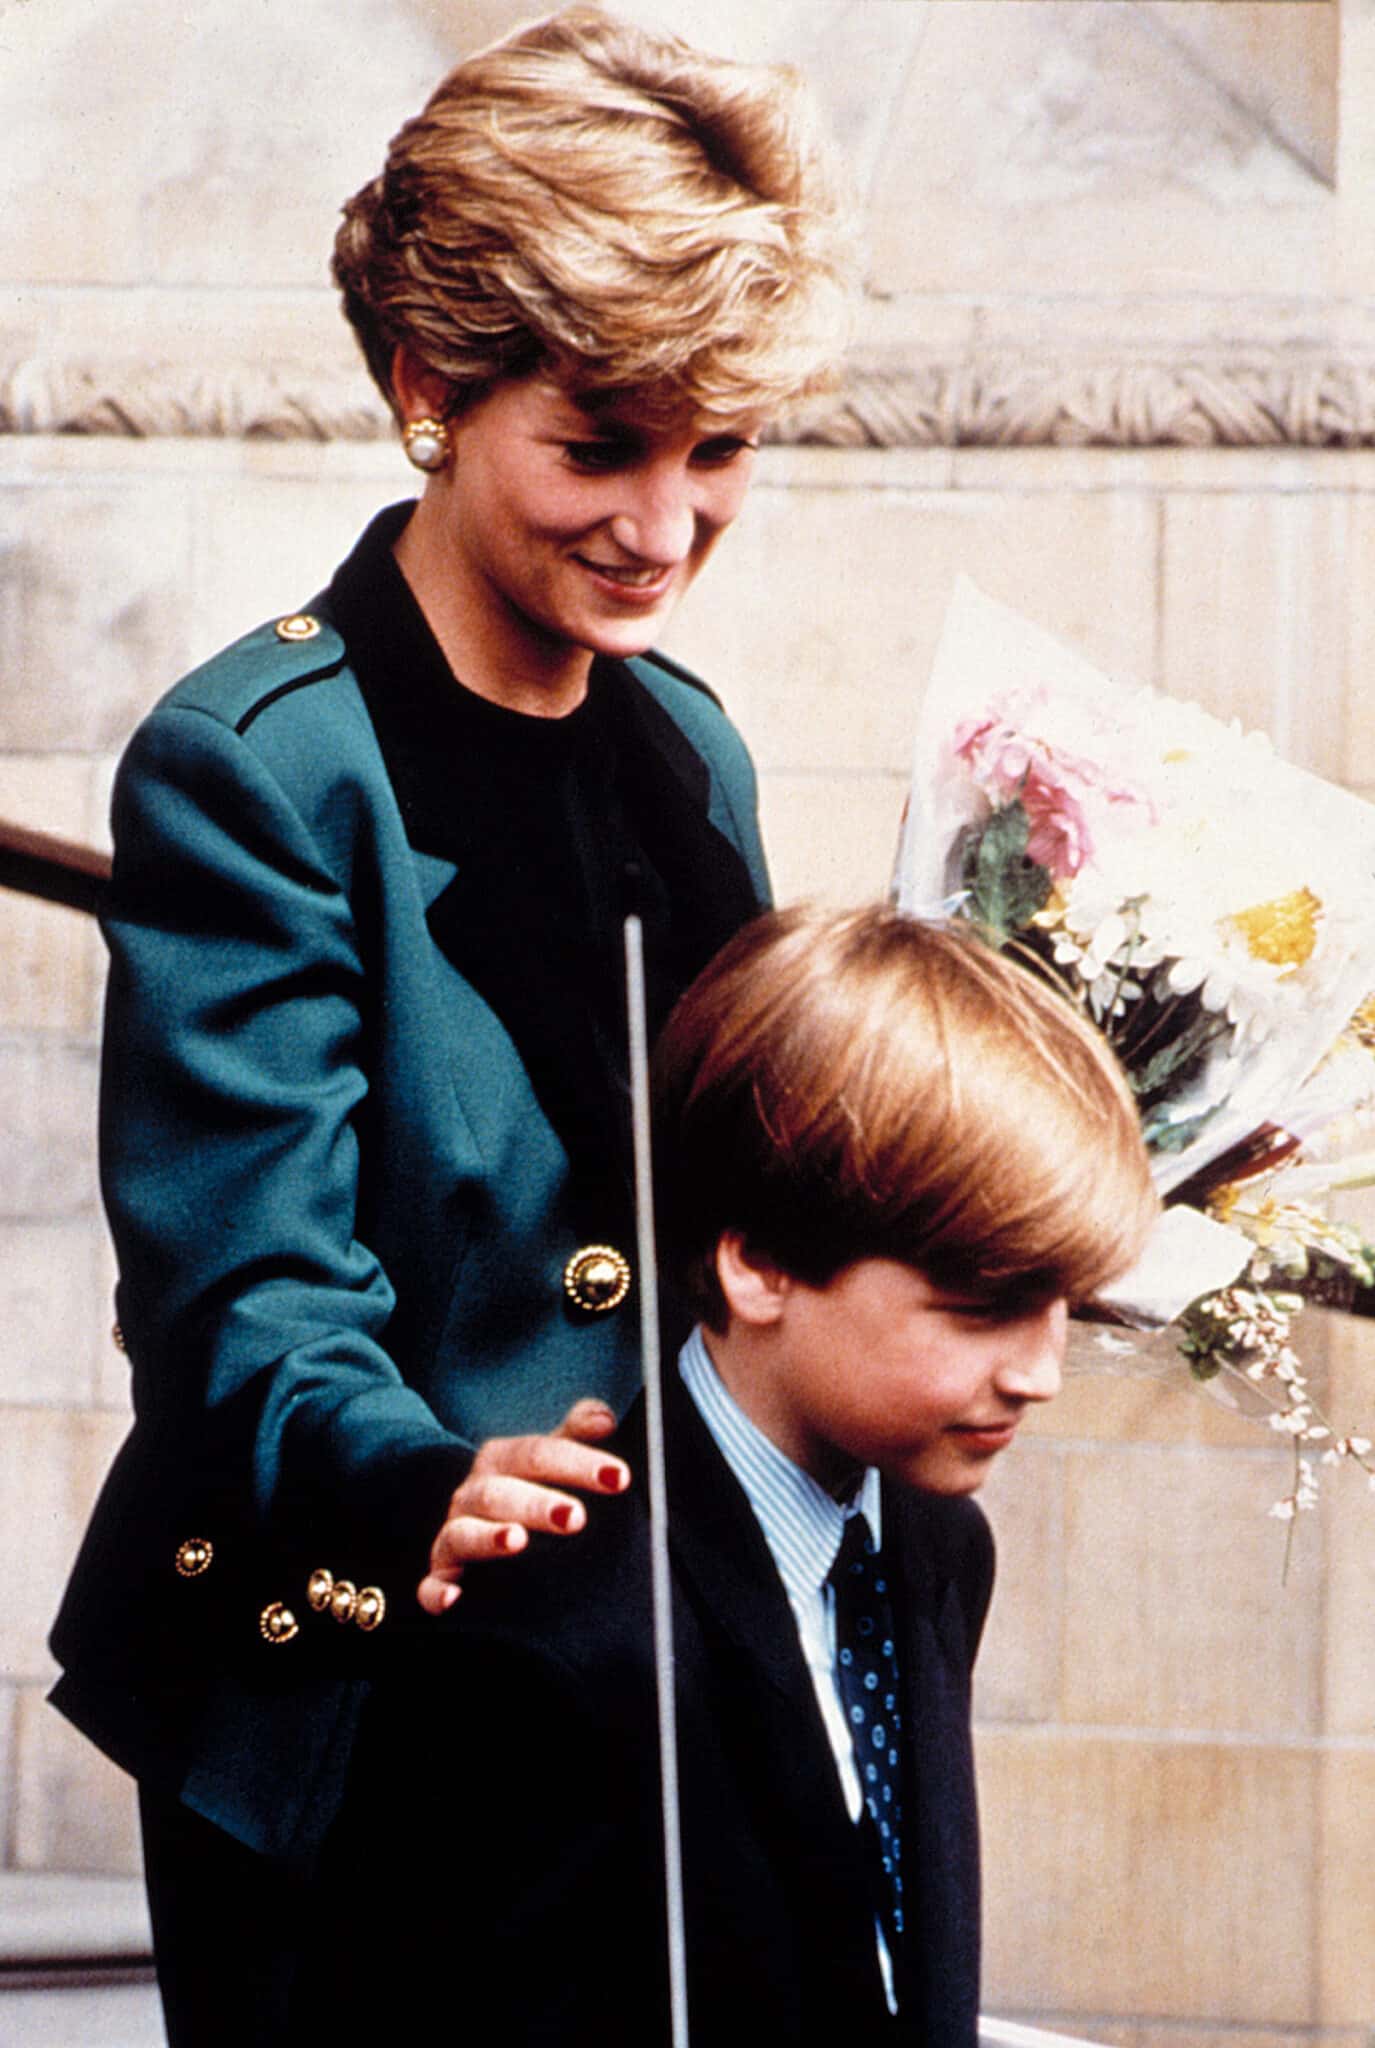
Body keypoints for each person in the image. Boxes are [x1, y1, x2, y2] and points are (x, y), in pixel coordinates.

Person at [47, 9, 849, 2041]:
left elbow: (737, 1189)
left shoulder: (691, 750)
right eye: (600, 445)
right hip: (361, 1689)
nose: (664, 528)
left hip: (648, 1676)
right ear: (428, 388)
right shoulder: (258, 765)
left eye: (719, 450)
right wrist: (418, 1477)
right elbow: (241, 1292)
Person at [302, 903, 1159, 2046]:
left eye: (1066, 1304)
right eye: (981, 1306)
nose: (1041, 1370)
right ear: (756, 1262)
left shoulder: (938, 1539)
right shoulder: (548, 1635)